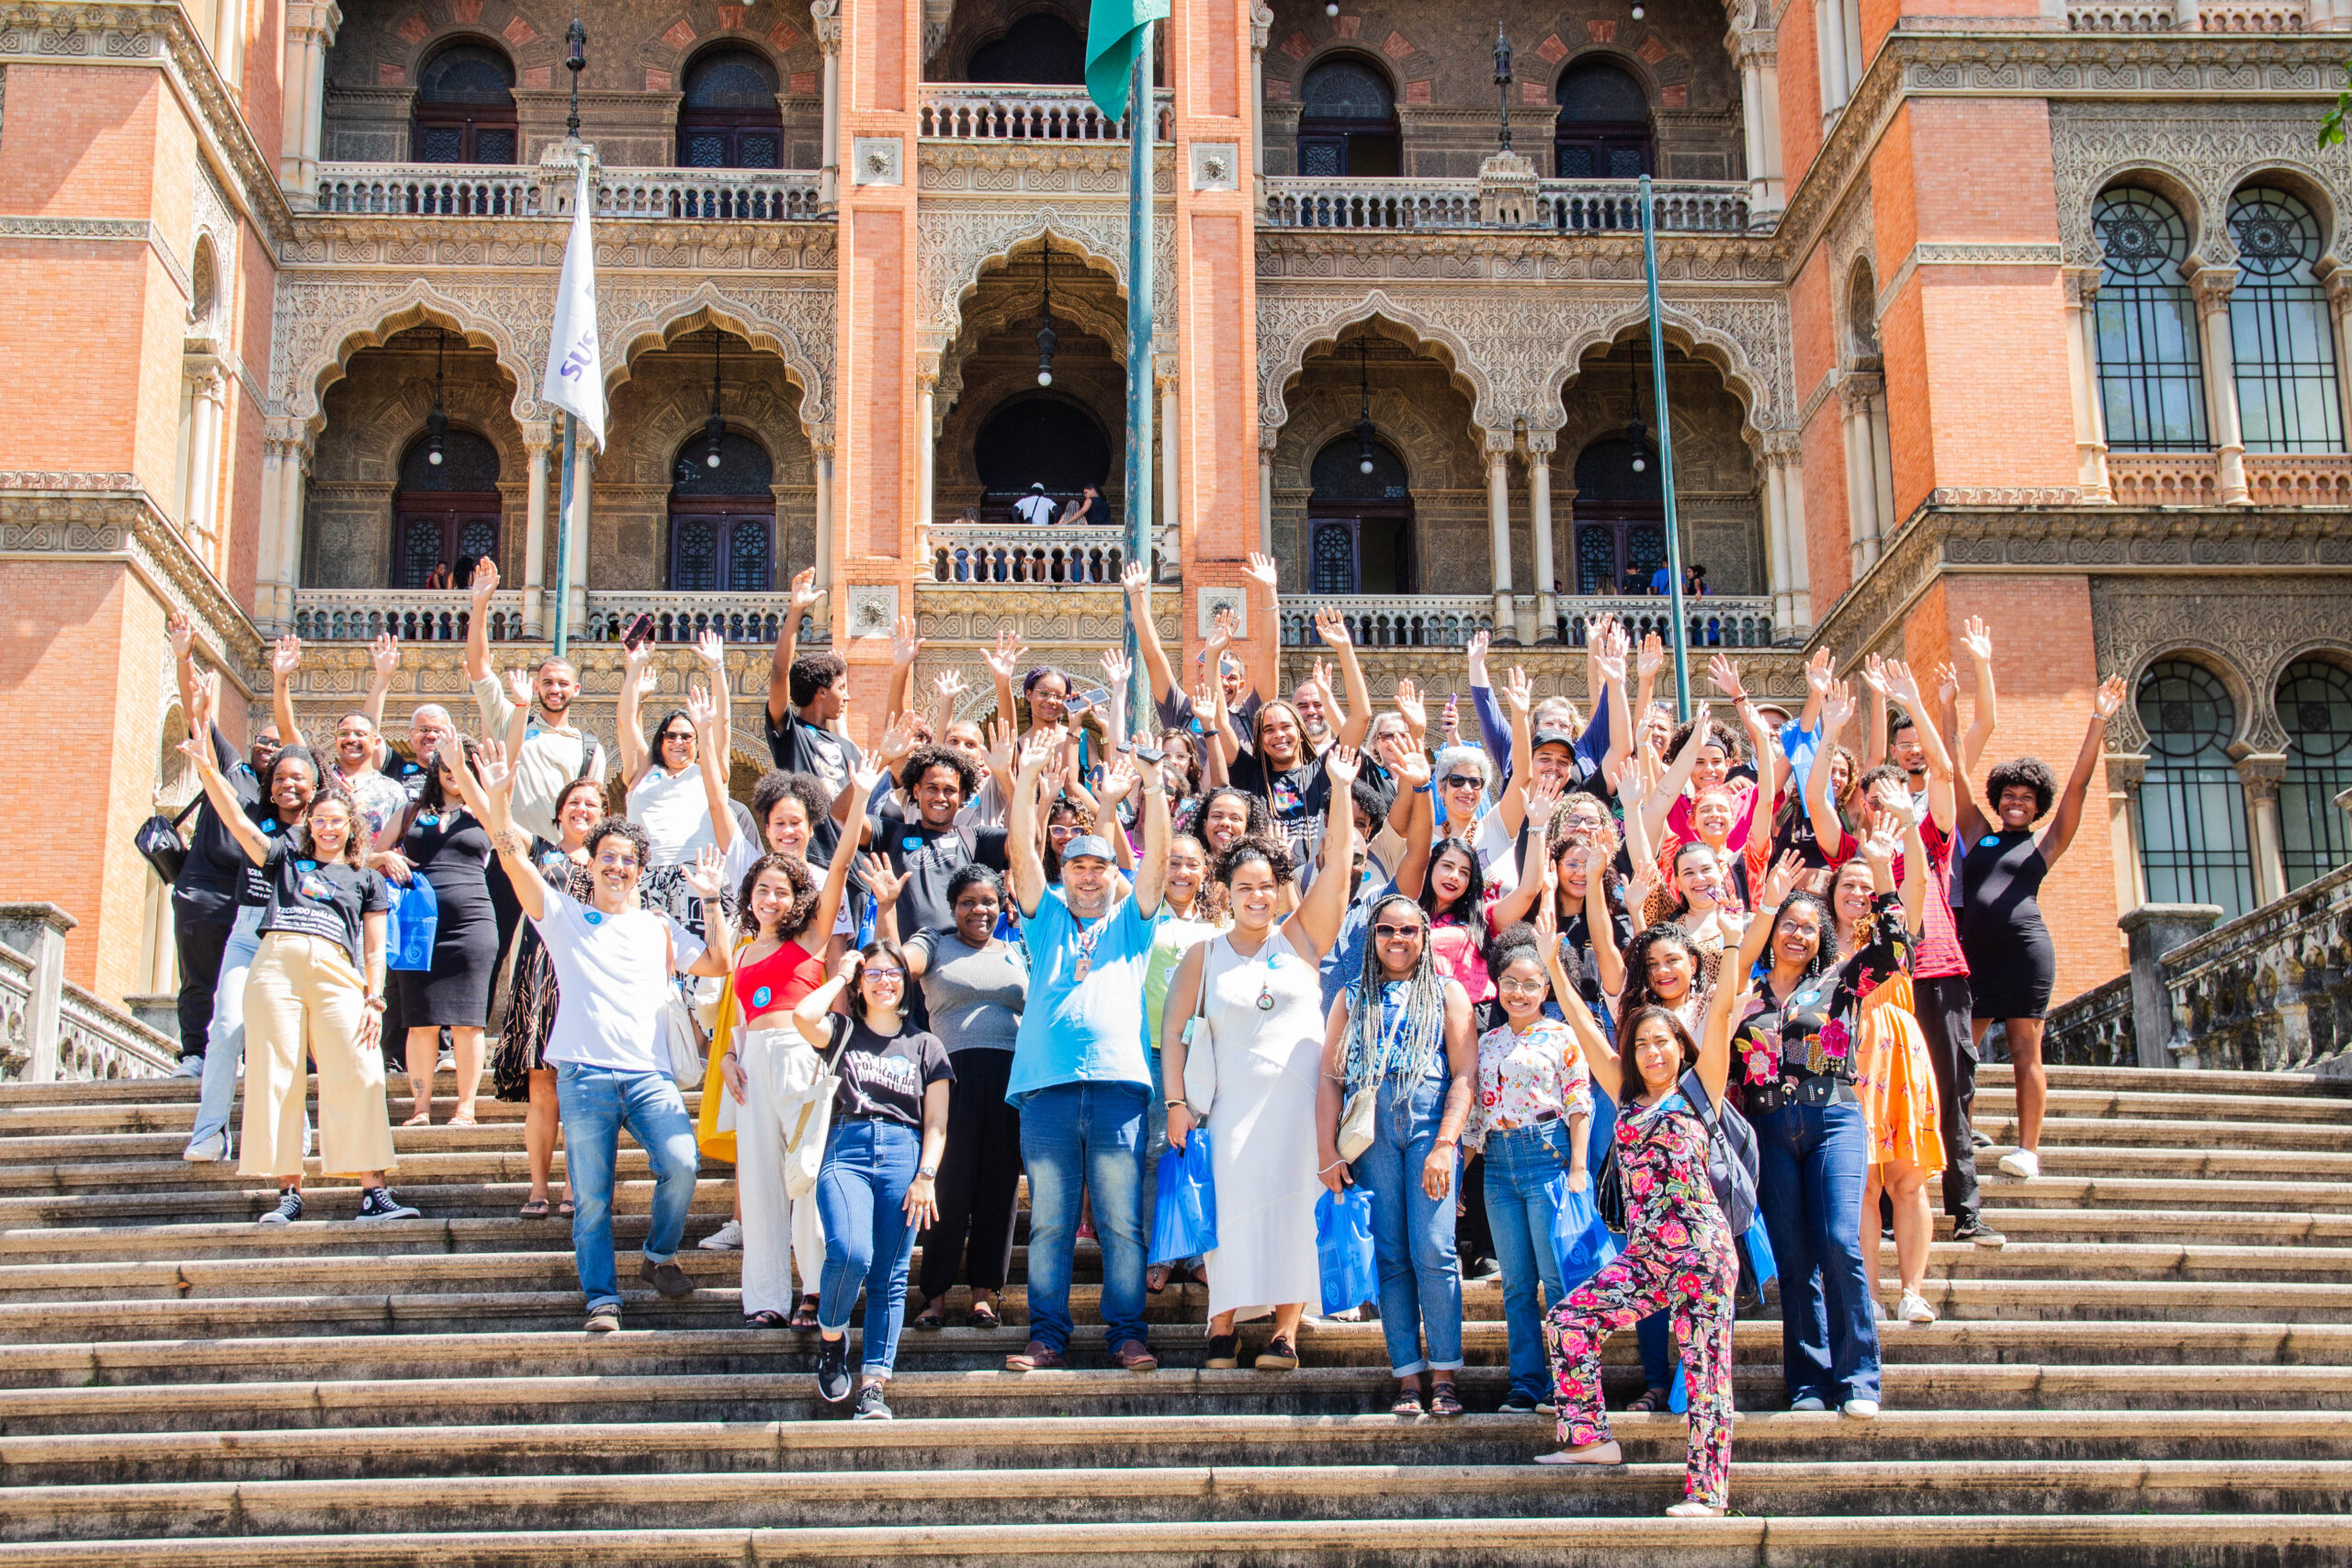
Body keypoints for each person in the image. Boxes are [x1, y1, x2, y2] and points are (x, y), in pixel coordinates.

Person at [454, 744, 735, 1333]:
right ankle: (601, 1298)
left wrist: (710, 898)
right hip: (582, 1075)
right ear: (592, 864)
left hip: (649, 1075)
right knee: (592, 1198)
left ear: (639, 866)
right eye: (607, 857)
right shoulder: (562, 915)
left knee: (681, 1164)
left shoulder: (658, 926)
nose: (617, 867)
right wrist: (496, 803)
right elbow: (512, 861)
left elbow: (718, 962)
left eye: (628, 859)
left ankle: (658, 1256)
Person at [177, 682, 417, 1226]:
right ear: (310, 824)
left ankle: (372, 1193)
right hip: (275, 965)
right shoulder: (283, 858)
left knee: (358, 1072)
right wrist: (207, 772)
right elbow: (239, 823)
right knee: (276, 1073)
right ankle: (289, 1192)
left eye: (338, 819)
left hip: (337, 969)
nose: (329, 825)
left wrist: (374, 998)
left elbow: (375, 945)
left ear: (351, 826)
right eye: (321, 819)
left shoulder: (364, 876)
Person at [1160, 748, 1362, 1371]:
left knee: (1294, 1209)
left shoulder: (1300, 936)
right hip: (1229, 1107)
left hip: (1299, 1107)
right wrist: (1174, 1103)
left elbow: (1339, 874)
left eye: (1264, 887)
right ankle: (1220, 1326)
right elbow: (1173, 1033)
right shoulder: (1204, 953)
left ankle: (1285, 1331)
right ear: (1224, 891)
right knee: (1233, 1209)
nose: (1255, 896)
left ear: (1279, 892)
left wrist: (1342, 789)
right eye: (1242, 886)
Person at [1536, 931, 1740, 1517]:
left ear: (1681, 1047)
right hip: (1648, 1256)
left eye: (1662, 1042)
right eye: (1641, 1044)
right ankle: (1590, 1439)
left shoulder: (1701, 1094)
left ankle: (1708, 1494)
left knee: (1706, 1374)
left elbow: (1722, 1011)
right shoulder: (1624, 1099)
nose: (1652, 1052)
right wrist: (1555, 968)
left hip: (1701, 1253)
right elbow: (1585, 1029)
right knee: (1569, 1320)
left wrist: (1729, 947)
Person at [1001, 728, 1171, 1374]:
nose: (1090, 875)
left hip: (1117, 1088)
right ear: (1064, 872)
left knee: (1123, 1222)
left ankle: (1126, 1332)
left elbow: (1153, 864)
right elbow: (1020, 850)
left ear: (1111, 874)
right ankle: (1048, 1334)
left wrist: (1153, 786)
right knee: (1049, 1221)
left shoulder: (1131, 924)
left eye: (1100, 866)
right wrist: (1026, 782)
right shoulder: (1043, 917)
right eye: (1077, 865)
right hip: (1045, 1089)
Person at [1732, 828, 1905, 1418]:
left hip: (1833, 1116)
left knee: (1838, 1244)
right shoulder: (1743, 994)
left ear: (1822, 935)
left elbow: (1897, 950)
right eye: (1789, 922)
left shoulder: (1840, 983)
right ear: (1773, 929)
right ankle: (1808, 1380)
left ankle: (1859, 1377)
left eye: (1809, 925)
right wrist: (1766, 900)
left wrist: (1881, 874)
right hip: (1770, 1130)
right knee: (1794, 1254)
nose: (1799, 932)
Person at [1317, 891, 1476, 1417]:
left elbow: (1464, 1074)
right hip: (1371, 1132)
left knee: (1434, 1249)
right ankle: (1408, 1376)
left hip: (1429, 1127)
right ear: (1373, 936)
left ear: (1424, 936)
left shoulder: (1448, 991)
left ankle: (1445, 1375)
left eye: (1408, 930)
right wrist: (1328, 1152)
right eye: (1387, 930)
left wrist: (1447, 1142)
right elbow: (1329, 1078)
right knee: (1390, 1254)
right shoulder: (1350, 997)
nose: (1397, 940)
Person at [1962, 676, 2127, 1180]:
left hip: (2025, 953)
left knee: (2023, 1048)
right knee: (1959, 1048)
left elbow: (2077, 785)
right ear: (1997, 798)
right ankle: (1956, 1133)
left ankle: (2028, 1150)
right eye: (2009, 794)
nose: (2016, 801)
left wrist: (2098, 717)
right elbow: (1953, 776)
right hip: (1975, 958)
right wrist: (1947, 710)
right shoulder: (1978, 836)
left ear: (2038, 805)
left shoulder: (2043, 844)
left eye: (2027, 797)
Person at [789, 942, 954, 1419]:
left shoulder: (926, 1045)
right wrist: (840, 975)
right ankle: (832, 1337)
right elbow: (802, 1015)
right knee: (850, 1252)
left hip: (905, 1154)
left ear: (907, 983)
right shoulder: (842, 1031)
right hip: (846, 1148)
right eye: (874, 973)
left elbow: (937, 1123)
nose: (885, 981)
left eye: (894, 973)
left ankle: (874, 1384)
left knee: (890, 1276)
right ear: (861, 983)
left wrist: (927, 1174)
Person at [710, 816, 862, 1330]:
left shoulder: (812, 939)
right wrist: (730, 1058)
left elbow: (839, 865)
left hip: (800, 1055)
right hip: (751, 1064)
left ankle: (814, 1291)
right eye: (761, 890)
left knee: (806, 1175)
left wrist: (860, 792)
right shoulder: (743, 951)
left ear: (797, 897)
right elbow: (737, 1019)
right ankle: (766, 1299)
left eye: (780, 891)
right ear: (749, 896)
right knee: (758, 1184)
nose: (769, 899)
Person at [465, 558, 610, 998]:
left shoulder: (589, 748)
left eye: (563, 683)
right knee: (492, 945)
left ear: (575, 690)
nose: (555, 689)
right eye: (548, 681)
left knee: (562, 952)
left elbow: (593, 812)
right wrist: (479, 606)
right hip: (510, 851)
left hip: (560, 863)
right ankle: (470, 1033)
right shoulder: (513, 719)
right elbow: (479, 668)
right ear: (537, 684)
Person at [893, 865, 1029, 1331]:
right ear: (953, 908)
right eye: (969, 902)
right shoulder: (935, 942)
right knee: (947, 1188)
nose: (980, 910)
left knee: (999, 1189)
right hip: (950, 1078)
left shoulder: (1016, 951)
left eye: (989, 901)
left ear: (1001, 906)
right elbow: (897, 964)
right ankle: (933, 1295)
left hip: (1010, 1079)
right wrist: (888, 905)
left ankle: (984, 1294)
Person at [1470, 920, 1593, 1416]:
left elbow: (1579, 1102)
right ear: (1497, 984)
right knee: (1518, 1284)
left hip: (1549, 1155)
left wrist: (1580, 1168)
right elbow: (1478, 1112)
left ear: (1546, 988)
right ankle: (1526, 1383)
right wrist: (1463, 1170)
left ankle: (1569, 1384)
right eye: (1510, 983)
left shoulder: (1562, 1036)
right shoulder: (1488, 1042)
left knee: (1557, 1279)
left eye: (1530, 984)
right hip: (1499, 1164)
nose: (1518, 993)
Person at [182, 741, 321, 1164]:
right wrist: (206, 763)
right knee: (225, 1029)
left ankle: (294, 1129)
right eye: (279, 778)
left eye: (297, 777)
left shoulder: (322, 826)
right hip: (247, 931)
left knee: (286, 1040)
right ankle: (210, 1132)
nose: (286, 785)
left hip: (296, 931)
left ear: (315, 785)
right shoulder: (255, 816)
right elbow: (224, 799)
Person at [1831, 835, 1945, 1325]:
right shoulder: (1817, 940)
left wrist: (1882, 863)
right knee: (1863, 1184)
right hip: (1849, 1058)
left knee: (1909, 1180)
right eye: (1847, 883)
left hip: (1898, 1053)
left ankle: (1913, 1292)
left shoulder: (1897, 930)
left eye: (1865, 884)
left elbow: (1915, 882)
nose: (1857, 892)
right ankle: (1870, 1295)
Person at [164, 610, 283, 1077]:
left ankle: (246, 1055)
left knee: (252, 981)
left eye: (276, 746)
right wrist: (183, 656)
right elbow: (199, 712)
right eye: (262, 741)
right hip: (205, 889)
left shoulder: (286, 798)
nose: (267, 748)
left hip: (253, 897)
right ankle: (193, 1053)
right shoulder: (232, 771)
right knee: (198, 976)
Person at [492, 773, 605, 1217]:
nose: (581, 810)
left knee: (583, 1088)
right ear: (559, 812)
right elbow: (496, 825)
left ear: (604, 815)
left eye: (591, 804)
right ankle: (539, 1188)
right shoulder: (541, 851)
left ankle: (576, 1189)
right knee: (543, 1086)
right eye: (574, 802)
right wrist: (494, 786)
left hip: (589, 976)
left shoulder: (612, 859)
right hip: (539, 974)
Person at [380, 736, 497, 1128]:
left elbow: (501, 832)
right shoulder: (410, 811)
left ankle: (466, 1108)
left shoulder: (484, 809)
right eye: (446, 765)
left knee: (468, 1021)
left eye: (461, 765)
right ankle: (421, 1108)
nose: (452, 773)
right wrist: (384, 857)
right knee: (421, 1021)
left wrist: (469, 776)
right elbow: (363, 858)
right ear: (434, 769)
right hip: (417, 924)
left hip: (471, 923)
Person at [1138, 831, 1223, 1293]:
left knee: (1200, 1154)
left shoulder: (1219, 928)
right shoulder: (1143, 919)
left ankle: (1196, 1255)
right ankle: (1161, 1252)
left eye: (1192, 864)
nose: (1182, 872)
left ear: (1205, 871)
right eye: (1172, 862)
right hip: (1152, 1048)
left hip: (1204, 1053)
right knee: (1158, 1151)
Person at [618, 633, 733, 928]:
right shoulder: (642, 772)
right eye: (671, 735)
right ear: (661, 739)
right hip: (644, 875)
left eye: (686, 735)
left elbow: (721, 723)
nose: (678, 741)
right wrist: (634, 667)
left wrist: (717, 668)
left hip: (695, 875)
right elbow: (626, 722)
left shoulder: (709, 773)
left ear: (697, 740)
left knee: (697, 965)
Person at [763, 569, 863, 854]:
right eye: (841, 688)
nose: (848, 696)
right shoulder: (791, 734)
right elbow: (780, 673)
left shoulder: (847, 748)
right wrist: (796, 610)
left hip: (849, 863)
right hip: (810, 856)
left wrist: (838, 671)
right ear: (821, 692)